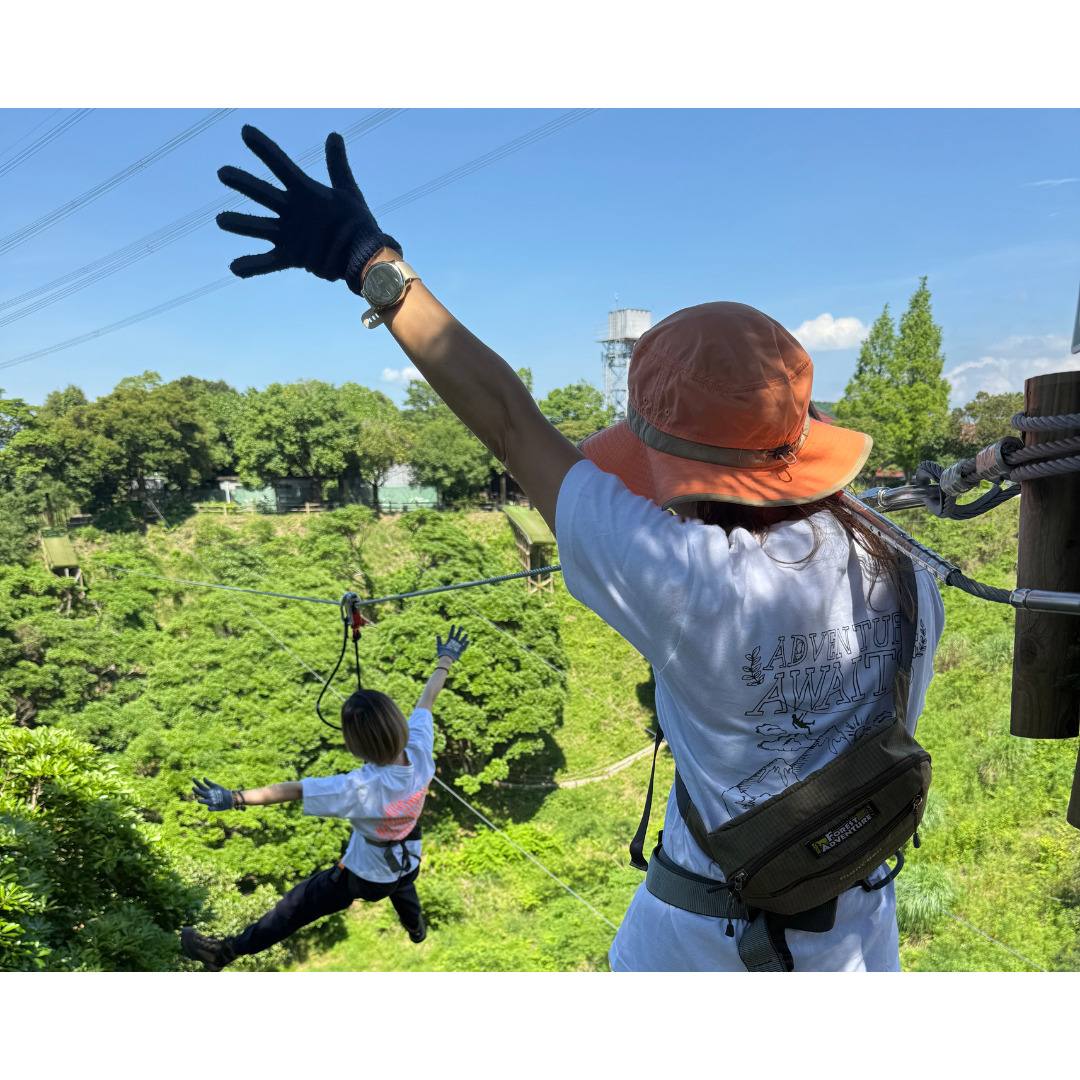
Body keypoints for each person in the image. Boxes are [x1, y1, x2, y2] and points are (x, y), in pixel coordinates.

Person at [213, 125, 945, 971]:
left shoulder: (690, 580)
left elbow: (506, 419)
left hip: (702, 955)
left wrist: (366, 259)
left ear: (676, 469)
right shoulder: (902, 559)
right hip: (864, 940)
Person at [180, 625, 470, 970]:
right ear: (398, 724)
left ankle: (223, 953)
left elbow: (292, 791)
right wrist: (446, 659)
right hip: (410, 852)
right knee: (404, 885)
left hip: (367, 875)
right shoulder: (419, 749)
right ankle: (416, 928)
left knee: (295, 906)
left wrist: (235, 797)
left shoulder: (359, 787)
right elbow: (427, 700)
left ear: (355, 745)